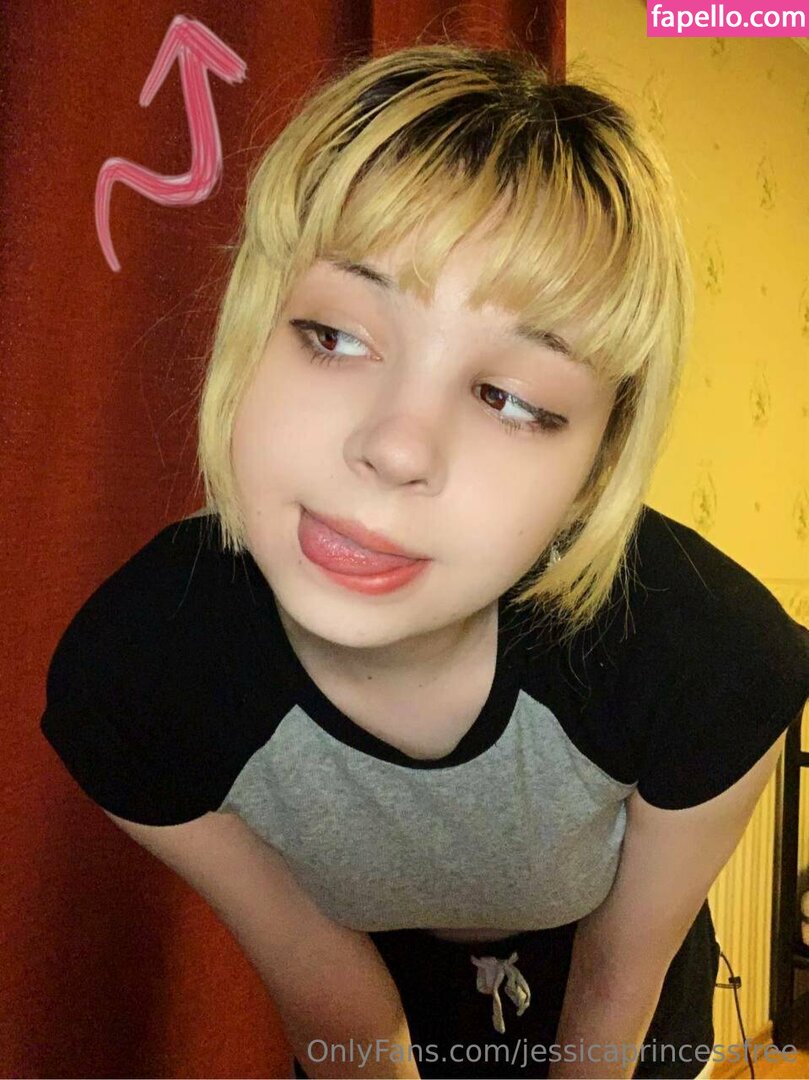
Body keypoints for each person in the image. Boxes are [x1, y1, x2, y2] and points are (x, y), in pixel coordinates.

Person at [40, 42, 809, 1080]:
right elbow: (322, 982)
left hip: (611, 988)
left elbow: (615, 989)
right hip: (388, 980)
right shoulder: (132, 680)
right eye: (332, 335)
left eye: (509, 399)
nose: (395, 447)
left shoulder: (708, 658)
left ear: (594, 470)